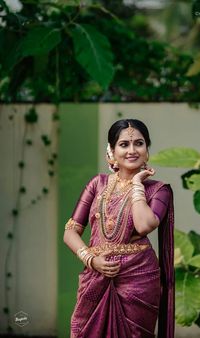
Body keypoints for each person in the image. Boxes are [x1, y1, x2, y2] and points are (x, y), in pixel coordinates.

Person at [63, 119, 175, 338]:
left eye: (139, 143)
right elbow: (70, 232)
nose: (132, 150)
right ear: (112, 151)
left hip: (138, 280)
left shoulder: (158, 190)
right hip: (95, 276)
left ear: (147, 149)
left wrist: (137, 185)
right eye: (124, 144)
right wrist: (91, 260)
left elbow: (144, 225)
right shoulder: (97, 184)